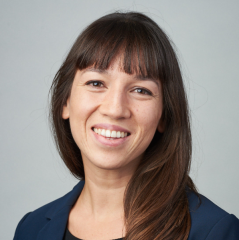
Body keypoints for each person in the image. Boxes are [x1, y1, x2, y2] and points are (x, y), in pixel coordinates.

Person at [13, 11, 239, 240]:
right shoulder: (30, 229)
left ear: (164, 115)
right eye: (96, 83)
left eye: (141, 90)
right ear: (65, 102)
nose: (115, 109)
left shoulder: (215, 231)